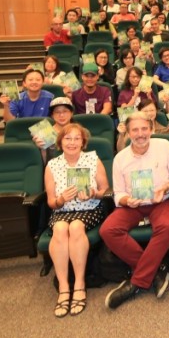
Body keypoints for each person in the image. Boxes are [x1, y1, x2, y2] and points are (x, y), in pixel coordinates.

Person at [102, 111, 169, 309]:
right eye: (135, 130)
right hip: (134, 205)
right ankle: (156, 271)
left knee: (167, 226)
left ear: (151, 129)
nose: (140, 134)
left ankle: (136, 282)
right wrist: (127, 200)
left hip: (162, 200)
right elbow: (118, 193)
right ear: (128, 133)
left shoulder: (164, 146)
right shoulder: (120, 158)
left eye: (144, 129)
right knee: (108, 230)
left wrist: (166, 187)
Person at [44, 123, 109, 316]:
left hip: (89, 209)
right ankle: (64, 287)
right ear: (60, 142)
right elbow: (51, 202)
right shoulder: (52, 165)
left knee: (76, 227)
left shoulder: (92, 159)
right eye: (67, 138)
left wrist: (93, 193)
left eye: (76, 138)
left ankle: (79, 284)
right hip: (62, 211)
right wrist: (61, 199)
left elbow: (105, 190)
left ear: (83, 142)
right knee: (60, 228)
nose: (72, 142)